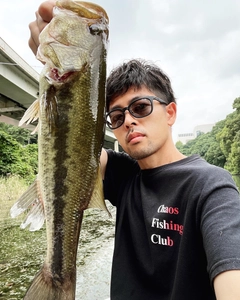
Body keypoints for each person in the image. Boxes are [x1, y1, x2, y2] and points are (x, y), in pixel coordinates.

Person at [29, 2, 240, 299]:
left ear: (170, 112)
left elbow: (231, 273)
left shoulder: (211, 186)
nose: (128, 120)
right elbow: (72, 148)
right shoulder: (125, 176)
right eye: (116, 117)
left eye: (140, 107)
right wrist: (58, 67)